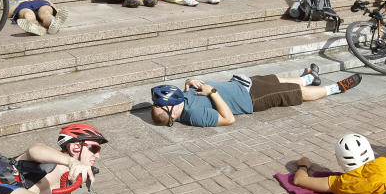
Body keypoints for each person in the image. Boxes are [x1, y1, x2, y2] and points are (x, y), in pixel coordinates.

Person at [149, 66, 362, 128]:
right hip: (252, 99)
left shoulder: (184, 103)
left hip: (243, 84)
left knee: (278, 80)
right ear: (173, 112)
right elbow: (228, 119)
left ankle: (308, 77)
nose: (166, 100)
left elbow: (191, 91)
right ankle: (336, 88)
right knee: (295, 94)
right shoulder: (194, 116)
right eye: (164, 104)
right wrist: (212, 92)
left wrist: (190, 81)